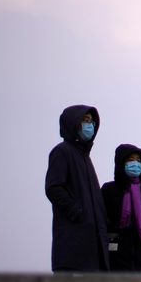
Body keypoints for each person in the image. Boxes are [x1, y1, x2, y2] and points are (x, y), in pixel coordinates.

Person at [45, 105, 109, 272]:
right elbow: (53, 187)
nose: (90, 125)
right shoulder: (62, 151)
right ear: (73, 123)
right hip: (73, 247)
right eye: (85, 120)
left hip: (93, 251)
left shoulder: (85, 157)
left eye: (92, 121)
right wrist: (77, 212)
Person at [101, 144, 141, 271]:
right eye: (130, 160)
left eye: (138, 160)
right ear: (121, 163)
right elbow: (101, 218)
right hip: (115, 254)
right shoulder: (109, 189)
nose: (135, 163)